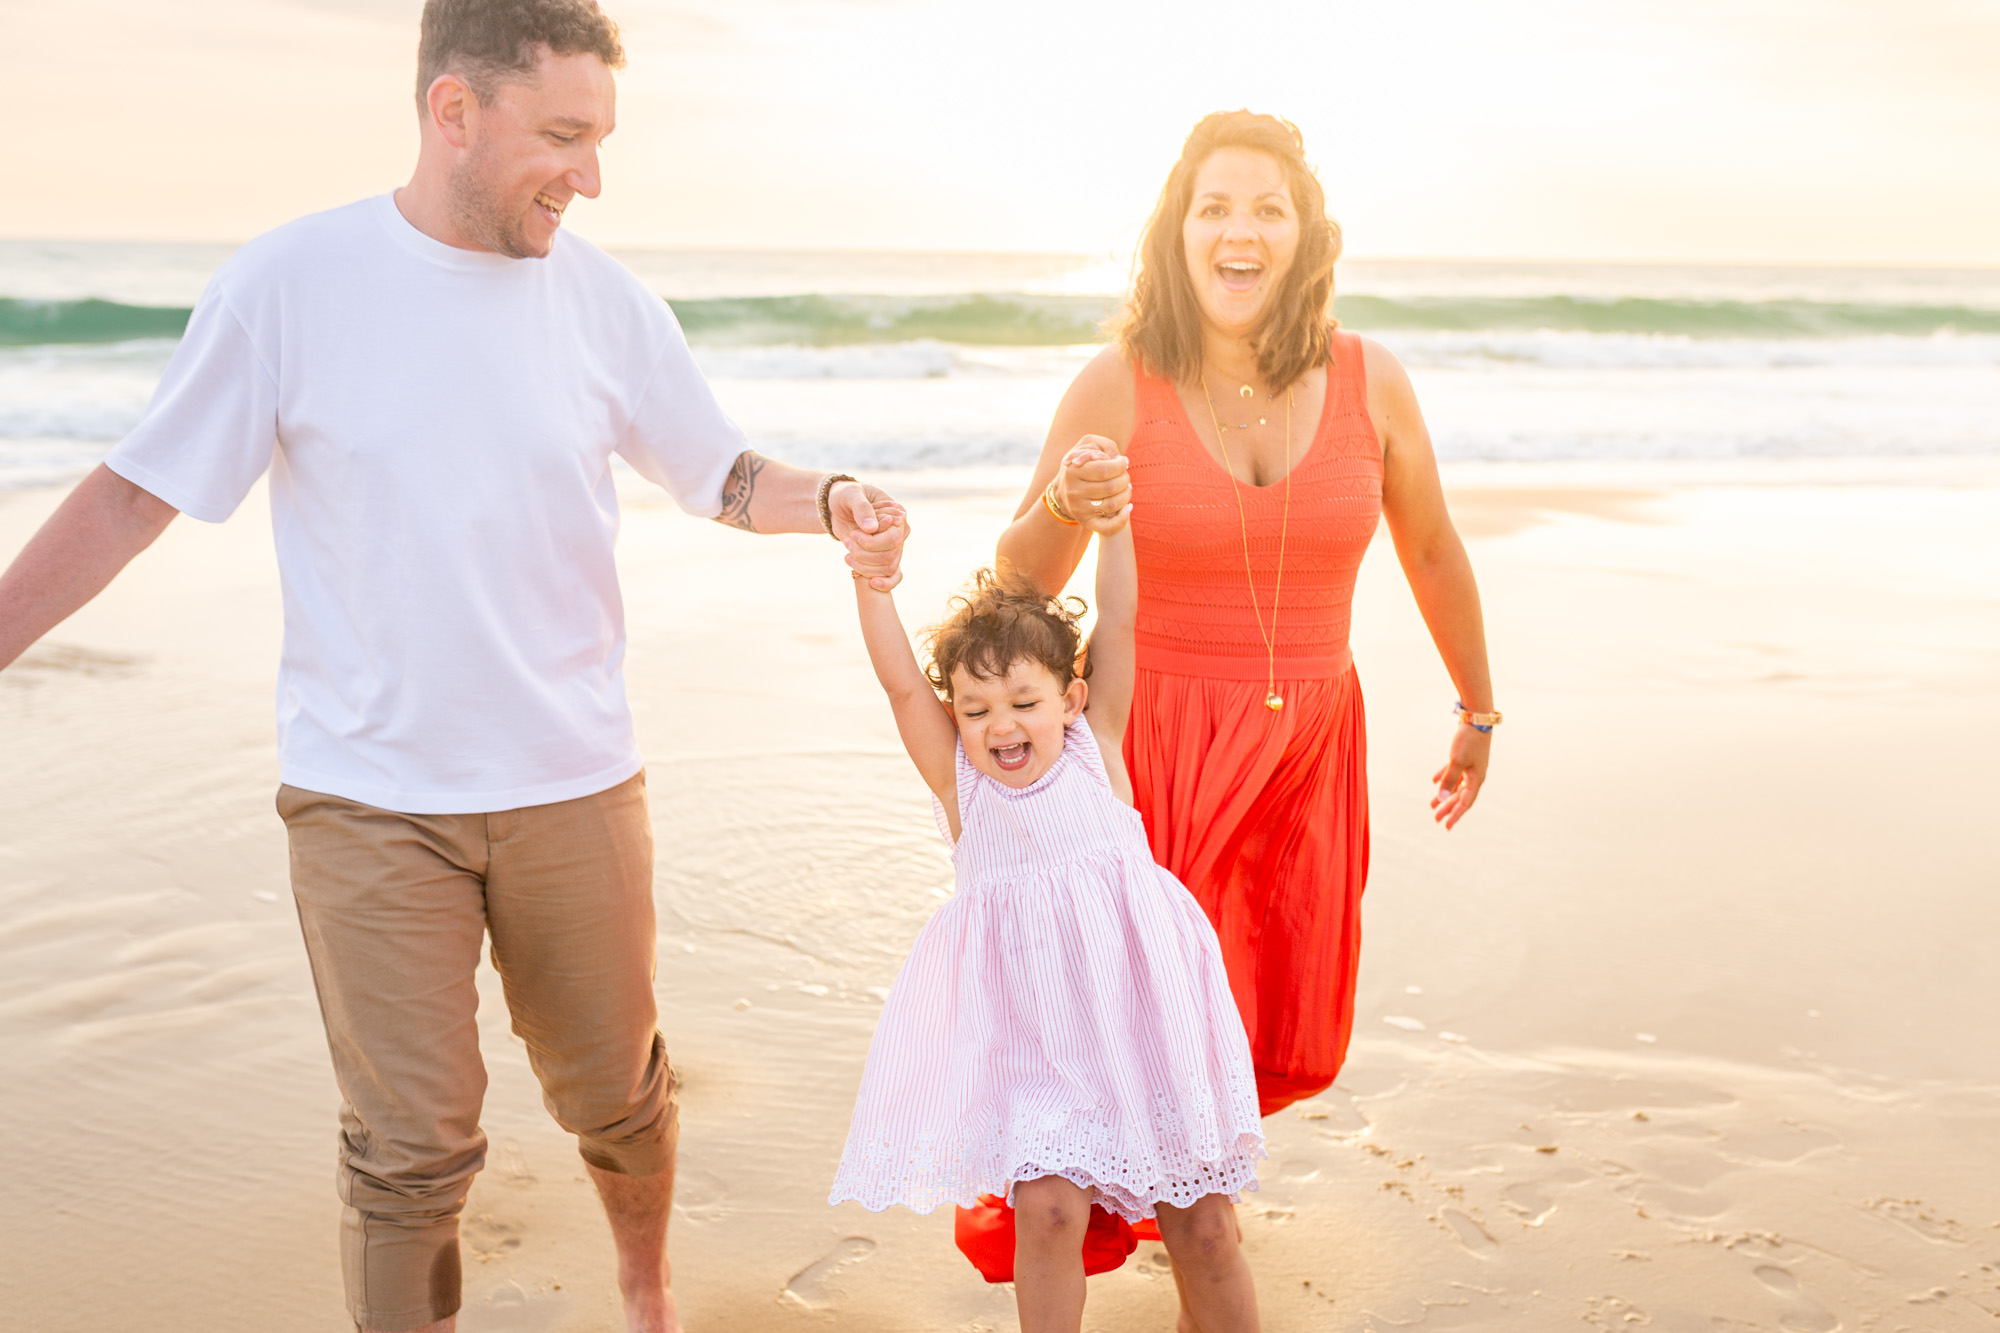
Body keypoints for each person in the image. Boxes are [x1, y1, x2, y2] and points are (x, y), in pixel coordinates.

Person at [0, 3, 907, 1331]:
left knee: (616, 1095)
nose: (589, 178)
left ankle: (643, 1289)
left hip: (573, 780)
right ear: (452, 113)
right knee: (408, 1151)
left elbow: (717, 472)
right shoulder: (288, 286)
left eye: (601, 141)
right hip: (366, 796)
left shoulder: (609, 305)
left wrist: (826, 497)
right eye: (561, 137)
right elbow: (137, 495)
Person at [996, 109, 1498, 1122]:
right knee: (1144, 1028)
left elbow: (1432, 548)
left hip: (1309, 746)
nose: (1239, 232)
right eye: (1213, 208)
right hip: (1152, 746)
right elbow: (1016, 578)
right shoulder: (1117, 383)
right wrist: (1065, 504)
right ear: (1174, 236)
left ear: (1304, 235)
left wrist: (1477, 710)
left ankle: (1192, 1203)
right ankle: (1174, 1220)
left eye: (1267, 210)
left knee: (1259, 1021)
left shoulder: (1372, 381)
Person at [827, 545, 1264, 1333]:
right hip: (1039, 1044)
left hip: (1150, 1020)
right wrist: (871, 580)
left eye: (1024, 701)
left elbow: (1121, 619)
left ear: (1071, 699)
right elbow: (899, 683)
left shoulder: (1098, 748)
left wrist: (1116, 524)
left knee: (1202, 1225)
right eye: (974, 708)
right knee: (1050, 1213)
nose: (1001, 726)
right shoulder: (961, 783)